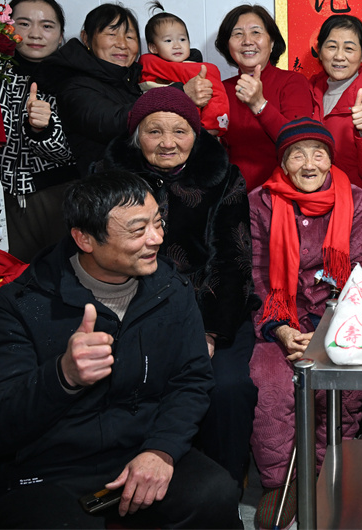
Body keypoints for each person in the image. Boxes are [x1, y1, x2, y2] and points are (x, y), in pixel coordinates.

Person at [0, 171, 241, 529]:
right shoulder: (19, 305)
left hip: (140, 448)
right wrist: (62, 376)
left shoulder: (171, 289)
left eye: (158, 223)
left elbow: (191, 379)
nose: (156, 239)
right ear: (85, 239)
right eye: (138, 231)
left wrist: (162, 450)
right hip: (46, 469)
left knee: (216, 494)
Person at [96, 88, 259, 487]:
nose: (167, 142)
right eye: (154, 131)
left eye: (179, 131)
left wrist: (209, 332)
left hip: (212, 308)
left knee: (227, 386)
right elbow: (98, 256)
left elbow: (233, 259)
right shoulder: (108, 178)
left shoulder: (223, 177)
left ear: (195, 135)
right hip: (132, 311)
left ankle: (224, 488)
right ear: (137, 136)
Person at [248, 118, 362, 528]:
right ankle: (280, 484)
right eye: (297, 155)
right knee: (271, 386)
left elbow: (361, 272)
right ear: (282, 163)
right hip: (279, 320)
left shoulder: (356, 201)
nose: (308, 164)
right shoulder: (260, 202)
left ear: (330, 159)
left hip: (337, 318)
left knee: (345, 388)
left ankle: (324, 475)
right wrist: (282, 329)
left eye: (318, 154)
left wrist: (327, 331)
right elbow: (257, 273)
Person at [0, 0, 78, 261]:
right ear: (6, 29)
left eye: (47, 26)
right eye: (23, 23)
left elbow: (77, 152)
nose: (35, 34)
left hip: (58, 197)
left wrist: (42, 130)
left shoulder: (76, 80)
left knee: (64, 274)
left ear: (60, 35)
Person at [215, 4, 315, 192]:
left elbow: (299, 143)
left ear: (272, 42)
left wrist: (259, 104)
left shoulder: (293, 82)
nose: (247, 41)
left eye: (256, 32)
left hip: (281, 196)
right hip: (233, 198)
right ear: (228, 45)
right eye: (238, 34)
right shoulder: (221, 88)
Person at [309, 14, 362, 215]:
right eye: (332, 47)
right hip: (318, 209)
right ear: (319, 50)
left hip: (361, 213)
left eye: (349, 48)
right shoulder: (309, 92)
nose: (339, 56)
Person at [44, 3, 144, 174]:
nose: (122, 44)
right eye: (112, 34)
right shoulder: (74, 85)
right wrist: (175, 96)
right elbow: (112, 122)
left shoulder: (135, 81)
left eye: (129, 37)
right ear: (86, 38)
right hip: (104, 186)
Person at [139, 1, 230, 136]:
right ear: (153, 47)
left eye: (182, 39)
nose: (177, 45)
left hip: (196, 131)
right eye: (168, 41)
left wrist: (211, 127)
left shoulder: (201, 69)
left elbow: (217, 98)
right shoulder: (146, 65)